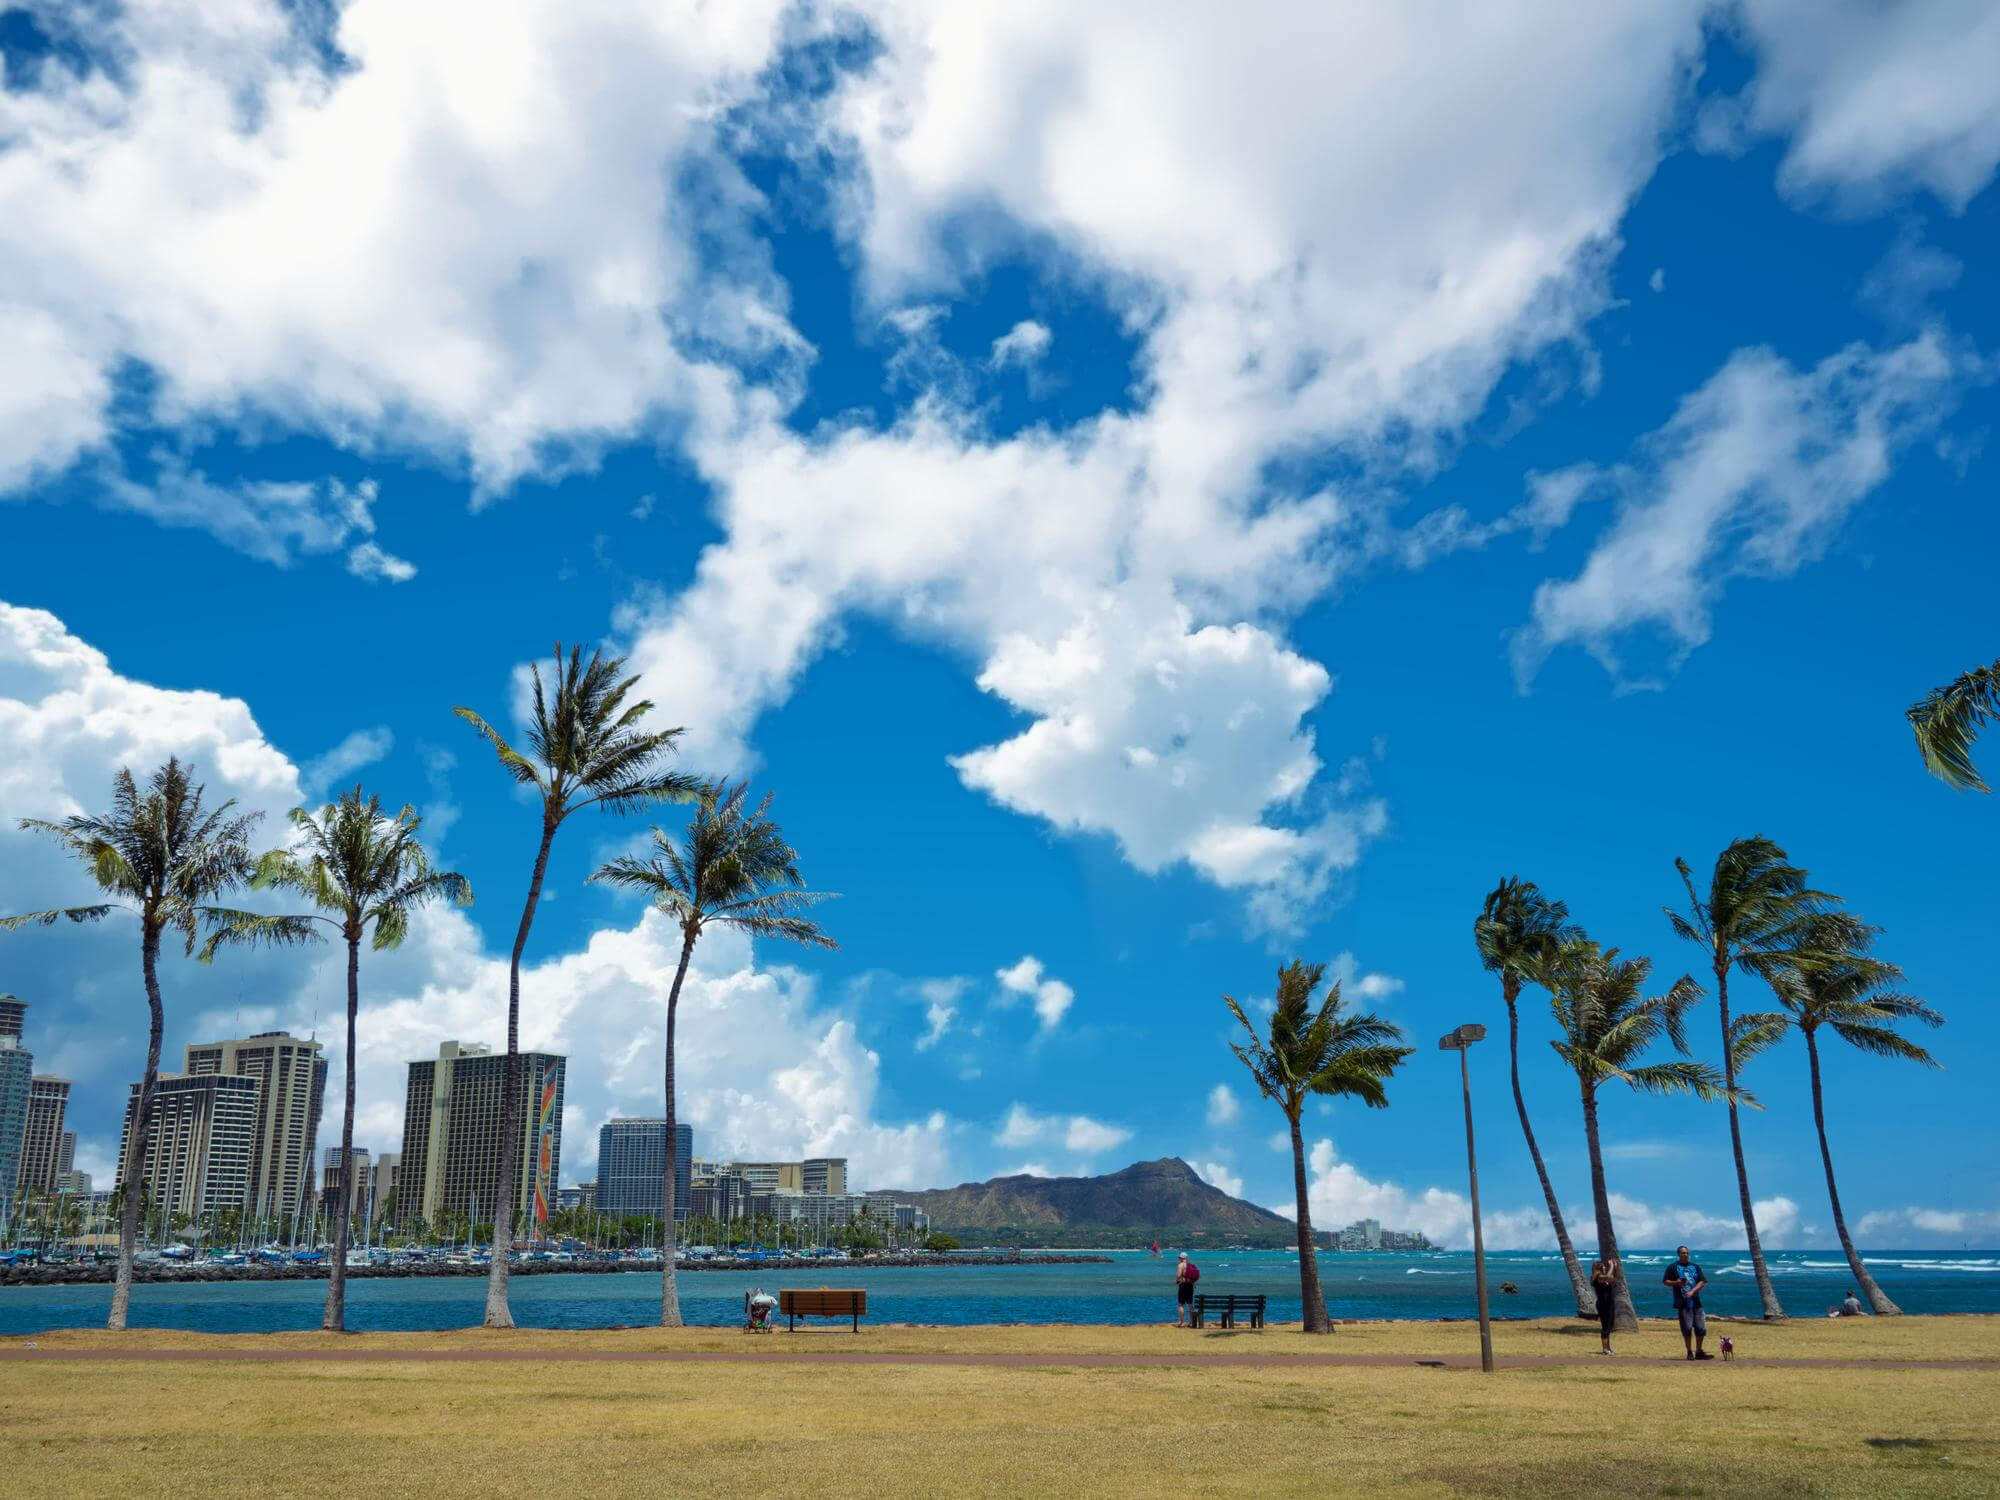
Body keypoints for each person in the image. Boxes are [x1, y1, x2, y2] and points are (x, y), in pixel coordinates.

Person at [1663, 1245, 1710, 1360]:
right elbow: (1665, 1281)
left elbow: (1702, 1281)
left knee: (1701, 1328)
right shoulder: (1672, 1267)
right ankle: (1689, 1352)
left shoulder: (1695, 1266)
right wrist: (1676, 1283)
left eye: (1687, 1253)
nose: (1686, 1255)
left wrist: (1693, 1291)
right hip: (1683, 1302)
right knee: (1687, 1328)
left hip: (1696, 1302)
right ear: (1678, 1254)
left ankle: (1699, 1351)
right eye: (1683, 1253)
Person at [1590, 1255, 1620, 1355]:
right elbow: (1607, 1276)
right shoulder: (1597, 1278)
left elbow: (1613, 1278)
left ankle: (1608, 1348)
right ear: (1598, 1268)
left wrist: (1615, 1268)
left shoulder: (1604, 1279)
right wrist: (1611, 1266)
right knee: (1605, 1326)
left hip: (1609, 1304)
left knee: (1609, 1326)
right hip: (1603, 1305)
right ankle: (1605, 1349)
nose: (1604, 1268)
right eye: (1603, 1267)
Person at [1174, 1251, 1200, 1327]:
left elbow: (1179, 1275)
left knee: (1181, 1304)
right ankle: (1191, 1322)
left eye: (1179, 1258)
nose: (1179, 1259)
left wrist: (1176, 1281)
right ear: (1186, 1258)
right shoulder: (1190, 1265)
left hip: (1183, 1286)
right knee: (1190, 1304)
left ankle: (1182, 1322)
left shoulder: (1180, 1265)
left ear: (1181, 1258)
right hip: (1190, 1286)